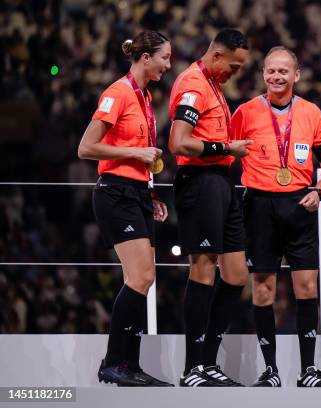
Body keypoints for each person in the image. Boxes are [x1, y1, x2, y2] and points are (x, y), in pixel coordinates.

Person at [231, 46, 321, 387]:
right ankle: (271, 370)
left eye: (283, 71)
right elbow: (225, 156)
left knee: (306, 287)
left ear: (297, 75)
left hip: (300, 204)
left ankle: (308, 370)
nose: (276, 77)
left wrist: (319, 190)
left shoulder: (311, 113)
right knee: (263, 290)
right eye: (270, 71)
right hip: (259, 205)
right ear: (263, 73)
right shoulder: (245, 112)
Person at [77, 30, 173, 386]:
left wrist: (150, 193)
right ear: (145, 58)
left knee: (142, 279)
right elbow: (86, 148)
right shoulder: (118, 93)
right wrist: (135, 153)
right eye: (164, 57)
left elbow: (137, 155)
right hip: (114, 193)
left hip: (135, 192)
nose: (168, 64)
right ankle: (114, 362)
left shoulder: (145, 96)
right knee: (141, 277)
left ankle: (127, 364)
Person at [168, 28, 251, 387]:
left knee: (236, 275)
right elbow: (179, 142)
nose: (235, 73)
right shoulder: (193, 84)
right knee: (202, 272)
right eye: (233, 65)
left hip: (221, 184)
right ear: (217, 55)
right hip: (200, 183)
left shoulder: (213, 84)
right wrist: (226, 149)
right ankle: (192, 369)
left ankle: (208, 362)